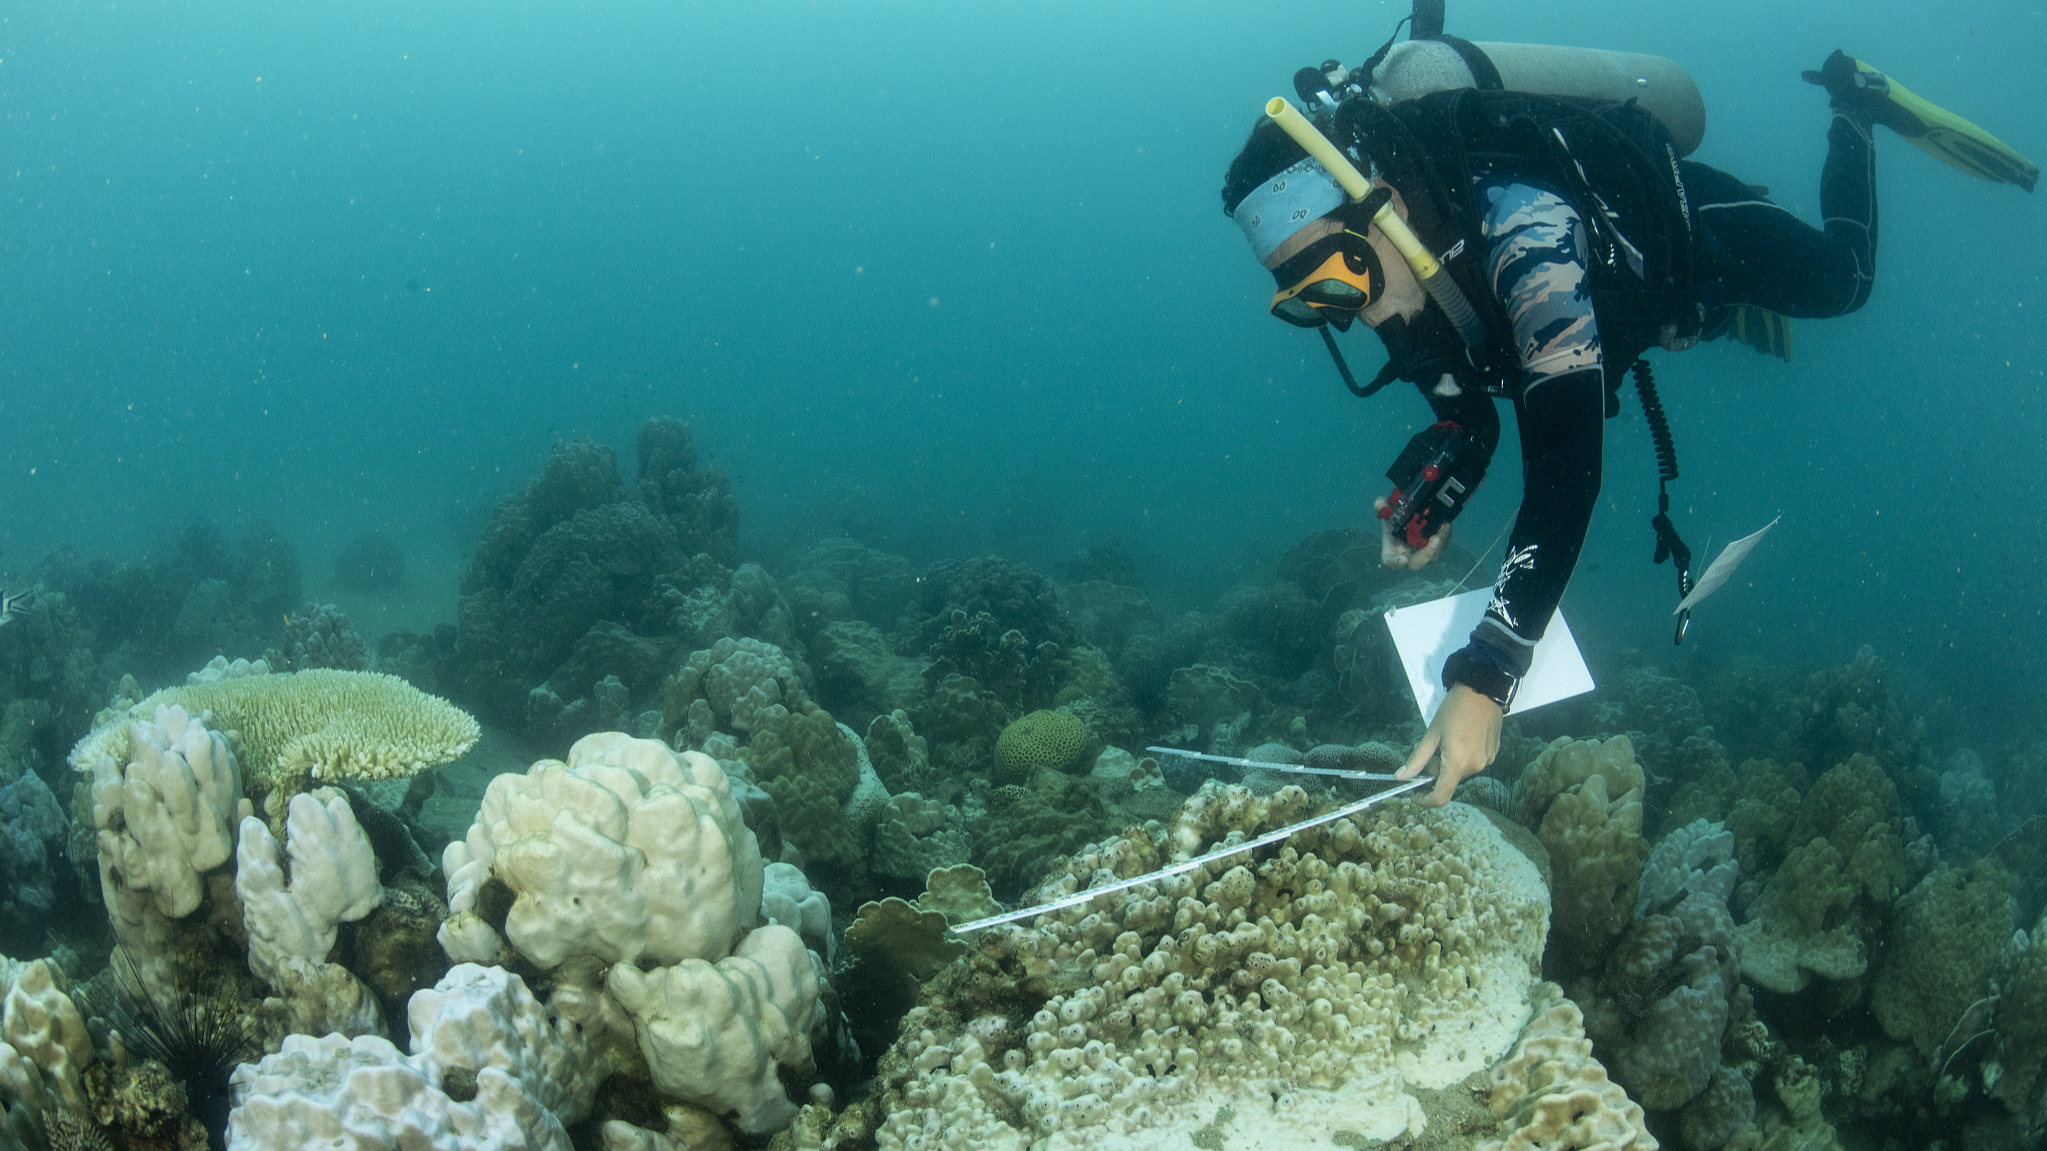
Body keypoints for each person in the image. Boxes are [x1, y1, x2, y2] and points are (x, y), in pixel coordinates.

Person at [1220, 50, 2036, 807]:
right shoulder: (1396, 278)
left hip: (1689, 243)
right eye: (1305, 303)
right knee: (1696, 320)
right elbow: (1467, 412)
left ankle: (1855, 107)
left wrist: (1489, 670)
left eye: (1334, 278)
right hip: (1632, 321)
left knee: (1843, 284)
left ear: (1386, 207)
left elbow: (1568, 463)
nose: (1345, 314)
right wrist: (1436, 485)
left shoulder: (1525, 236)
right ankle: (1723, 309)